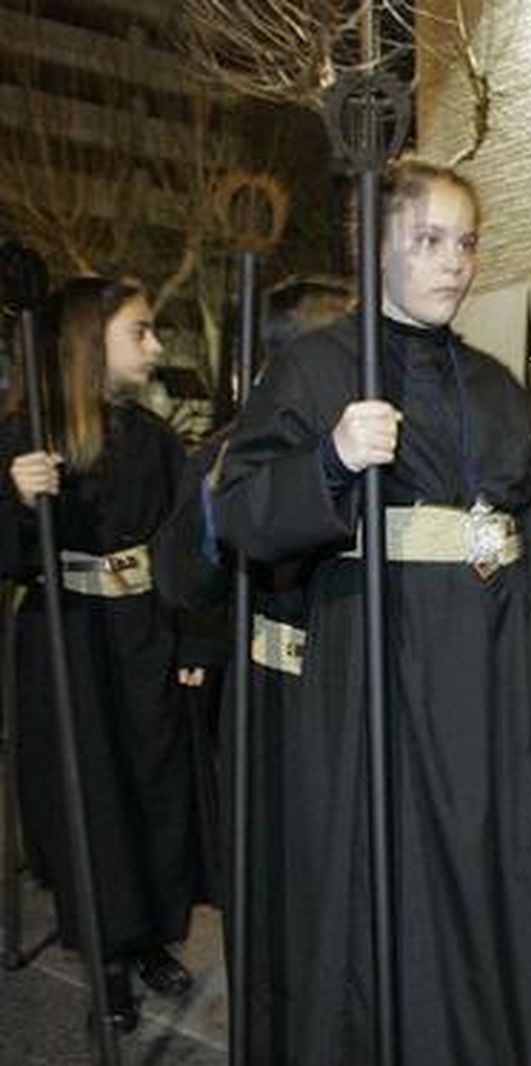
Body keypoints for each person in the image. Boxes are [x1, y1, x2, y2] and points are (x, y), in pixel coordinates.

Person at [213, 158, 531, 1064]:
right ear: (377, 249)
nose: (453, 262)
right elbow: (243, 513)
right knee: (400, 891)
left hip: (499, 674)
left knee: (515, 876)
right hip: (384, 666)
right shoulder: (316, 368)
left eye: (467, 242)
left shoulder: (494, 386)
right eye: (428, 241)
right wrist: (328, 456)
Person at [151, 274, 353, 1064]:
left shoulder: (381, 440)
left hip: (370, 702)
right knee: (284, 905)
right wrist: (222, 498)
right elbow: (181, 578)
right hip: (279, 709)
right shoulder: (235, 448)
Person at [2, 276, 197, 1032]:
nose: (156, 346)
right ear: (91, 343)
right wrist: (17, 499)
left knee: (153, 786)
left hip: (142, 631)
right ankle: (106, 960)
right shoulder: (28, 434)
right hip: (70, 636)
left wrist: (191, 640)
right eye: (140, 332)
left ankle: (150, 935)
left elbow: (182, 548)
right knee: (90, 797)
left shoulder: (155, 439)